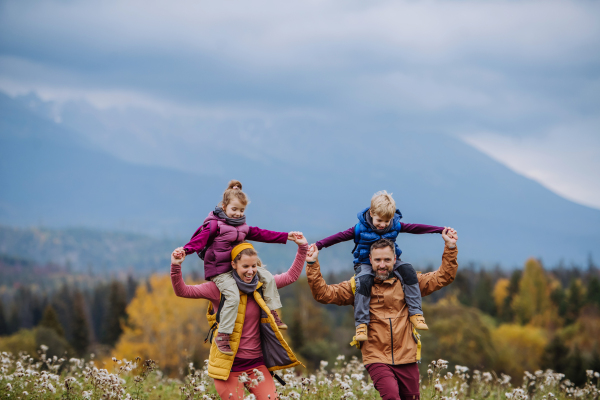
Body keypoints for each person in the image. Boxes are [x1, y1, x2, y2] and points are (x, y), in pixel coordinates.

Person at [305, 228, 458, 400]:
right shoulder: (358, 286)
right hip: (376, 356)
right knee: (391, 396)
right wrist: (312, 264)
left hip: (407, 356)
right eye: (377, 260)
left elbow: (443, 277)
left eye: (387, 259)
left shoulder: (410, 282)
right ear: (370, 259)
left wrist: (450, 247)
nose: (382, 265)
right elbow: (323, 294)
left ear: (395, 259)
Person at [171, 235, 308, 400]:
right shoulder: (218, 289)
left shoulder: (262, 285)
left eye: (254, 266)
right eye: (245, 266)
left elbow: (291, 276)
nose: (250, 271)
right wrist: (176, 265)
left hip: (257, 366)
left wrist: (302, 248)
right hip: (228, 369)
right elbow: (183, 291)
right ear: (233, 265)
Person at [173, 179, 299, 355]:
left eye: (241, 210)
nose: (238, 214)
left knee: (268, 277)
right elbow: (198, 240)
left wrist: (287, 236)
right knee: (232, 296)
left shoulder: (243, 227)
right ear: (224, 207)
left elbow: (263, 234)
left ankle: (272, 313)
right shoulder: (214, 225)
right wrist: (185, 251)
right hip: (219, 271)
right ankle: (223, 335)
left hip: (237, 268)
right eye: (234, 209)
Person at [312, 190, 446, 342]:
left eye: (386, 221)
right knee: (363, 281)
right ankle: (362, 324)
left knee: (408, 270)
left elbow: (415, 228)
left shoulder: (394, 225)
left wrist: (440, 230)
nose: (383, 225)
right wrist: (319, 245)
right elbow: (339, 237)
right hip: (364, 263)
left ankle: (416, 313)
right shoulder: (360, 228)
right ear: (371, 213)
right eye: (379, 221)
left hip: (390, 261)